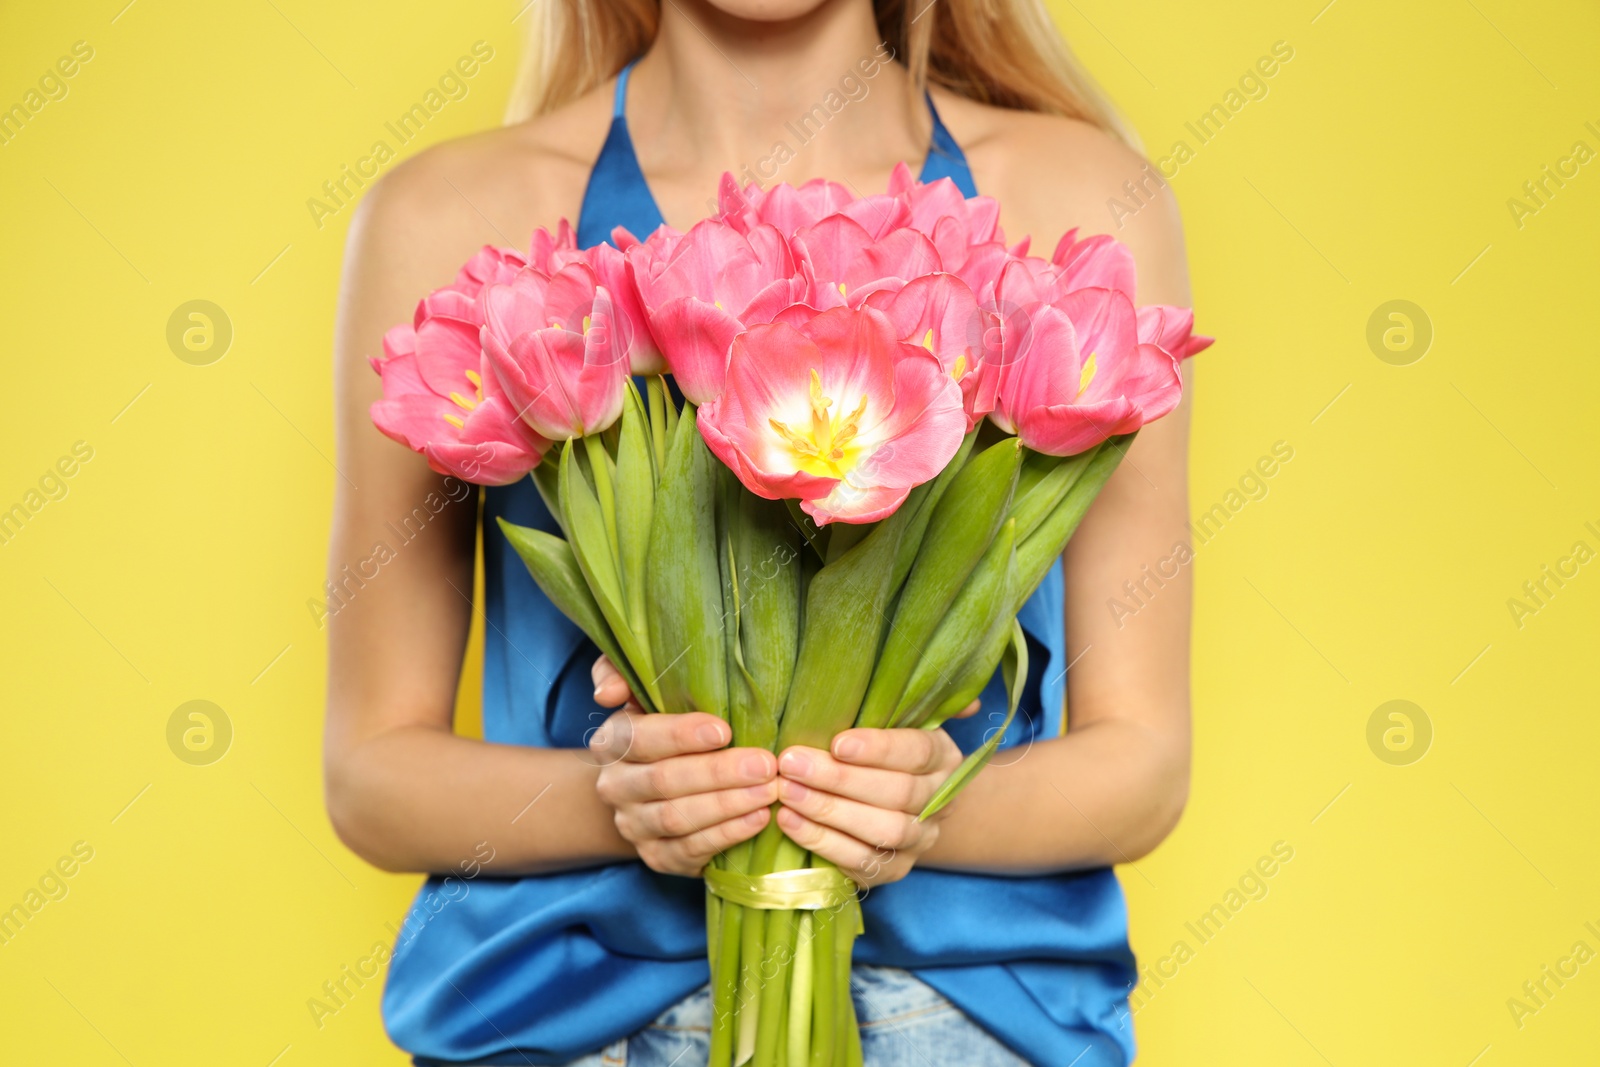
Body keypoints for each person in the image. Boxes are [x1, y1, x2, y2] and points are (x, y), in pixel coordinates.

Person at [324, 0, 1194, 1063]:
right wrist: (626, 802)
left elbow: (1143, 762)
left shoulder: (1081, 197)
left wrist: (920, 804)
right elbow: (371, 773)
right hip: (557, 1019)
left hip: (969, 1019)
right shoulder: (447, 215)